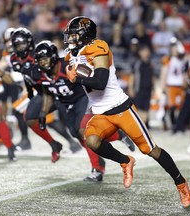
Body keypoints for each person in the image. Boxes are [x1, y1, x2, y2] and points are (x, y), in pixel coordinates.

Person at [64, 16, 190, 208]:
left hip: (120, 107)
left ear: (86, 35)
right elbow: (72, 77)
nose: (71, 39)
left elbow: (100, 81)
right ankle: (125, 161)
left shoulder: (98, 47)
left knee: (150, 150)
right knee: (91, 140)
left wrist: (77, 78)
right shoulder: (72, 55)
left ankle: (181, 184)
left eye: (74, 35)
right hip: (100, 112)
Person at [35, 40, 135, 181]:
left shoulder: (67, 65)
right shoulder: (40, 74)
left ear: (53, 56)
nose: (43, 63)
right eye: (40, 60)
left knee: (84, 132)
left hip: (82, 99)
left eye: (45, 59)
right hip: (65, 104)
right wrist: (43, 113)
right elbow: (47, 93)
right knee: (77, 134)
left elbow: (90, 76)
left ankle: (97, 169)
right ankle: (118, 136)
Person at [10, 27, 82, 157]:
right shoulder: (14, 59)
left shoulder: (38, 56)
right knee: (32, 117)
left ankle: (74, 143)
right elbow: (27, 77)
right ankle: (54, 143)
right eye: (17, 45)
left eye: (22, 44)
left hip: (51, 89)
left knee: (64, 124)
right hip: (38, 91)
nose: (20, 47)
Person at [0, 27, 31, 149]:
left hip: (23, 83)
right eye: (6, 40)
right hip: (11, 81)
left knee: (18, 111)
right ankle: (8, 130)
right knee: (3, 103)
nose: (8, 43)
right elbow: (2, 65)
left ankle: (25, 139)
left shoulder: (23, 51)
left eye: (10, 40)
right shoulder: (7, 52)